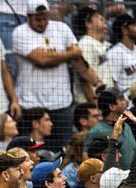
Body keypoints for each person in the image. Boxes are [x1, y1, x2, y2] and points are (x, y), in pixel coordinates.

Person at [12, 0, 103, 150]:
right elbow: (42, 60)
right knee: (31, 152)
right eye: (37, 19)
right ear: (28, 16)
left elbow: (78, 59)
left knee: (63, 151)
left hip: (61, 103)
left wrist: (96, 82)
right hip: (31, 105)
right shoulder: (20, 32)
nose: (42, 23)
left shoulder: (62, 28)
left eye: (44, 18)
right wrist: (69, 53)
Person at [86, 88, 135, 170]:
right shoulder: (97, 131)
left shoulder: (127, 127)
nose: (126, 101)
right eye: (121, 99)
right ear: (112, 107)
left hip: (131, 178)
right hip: (111, 180)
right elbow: (88, 162)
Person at [73, 6, 114, 104]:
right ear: (88, 23)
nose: (103, 19)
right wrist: (94, 104)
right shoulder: (85, 43)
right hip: (90, 104)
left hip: (105, 101)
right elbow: (84, 78)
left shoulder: (102, 44)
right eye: (98, 17)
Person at [107, 14, 136, 94]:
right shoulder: (114, 53)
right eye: (134, 25)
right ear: (124, 29)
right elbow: (113, 83)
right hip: (128, 101)